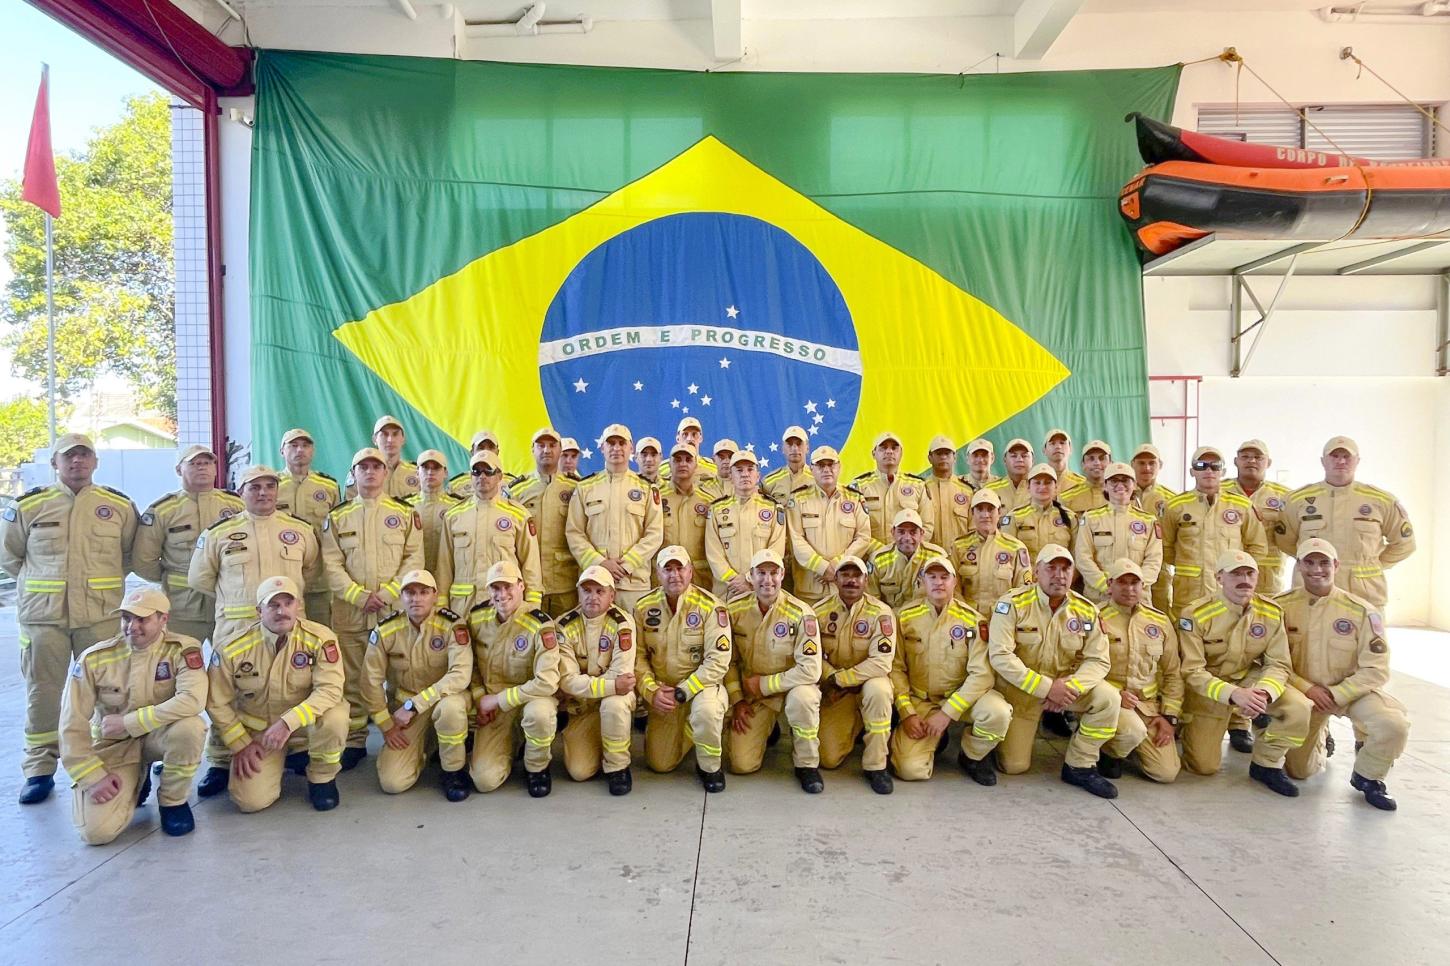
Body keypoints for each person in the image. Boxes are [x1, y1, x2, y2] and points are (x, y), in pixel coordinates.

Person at [1, 433, 139, 804]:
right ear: (55, 463)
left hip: (99, 614)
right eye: (69, 457)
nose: (77, 463)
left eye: (84, 456)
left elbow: (129, 557)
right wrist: (43, 587)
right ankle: (39, 768)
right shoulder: (30, 506)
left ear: (95, 462)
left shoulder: (119, 507)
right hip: (44, 618)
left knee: (109, 692)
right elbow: (10, 557)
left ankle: (111, 759)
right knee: (42, 692)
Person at [187, 464, 322, 797]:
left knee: (295, 681)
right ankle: (220, 759)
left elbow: (311, 570)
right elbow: (199, 578)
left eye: (269, 486)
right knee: (226, 691)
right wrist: (238, 600)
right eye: (254, 487)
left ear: (277, 491)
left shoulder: (299, 530)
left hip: (288, 624)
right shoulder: (220, 533)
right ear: (241, 492)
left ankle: (297, 748)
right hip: (236, 627)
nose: (263, 493)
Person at [59, 586, 206, 843]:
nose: (132, 627)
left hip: (159, 738)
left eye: (143, 619)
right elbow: (71, 723)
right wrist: (91, 777)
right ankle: (137, 780)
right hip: (114, 746)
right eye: (126, 618)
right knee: (96, 833)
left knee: (190, 728)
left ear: (163, 619)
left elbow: (193, 700)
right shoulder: (94, 659)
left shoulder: (182, 650)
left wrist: (130, 722)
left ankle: (173, 801)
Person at [1278, 539, 1408, 811]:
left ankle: (1368, 777)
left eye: (1324, 562)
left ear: (1336, 566)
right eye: (1309, 562)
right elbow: (1270, 660)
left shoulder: (1361, 611)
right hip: (1305, 697)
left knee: (1392, 725)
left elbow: (1376, 668)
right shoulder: (1279, 607)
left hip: (1351, 693)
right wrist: (1308, 689)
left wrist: (1338, 694)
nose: (1317, 569)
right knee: (1299, 771)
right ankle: (1321, 738)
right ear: (1299, 566)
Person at [319, 447, 425, 769]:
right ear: (353, 474)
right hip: (353, 611)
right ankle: (354, 740)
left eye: (376, 467)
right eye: (362, 467)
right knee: (353, 678)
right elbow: (331, 564)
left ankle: (400, 735)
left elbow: (413, 558)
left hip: (394, 610)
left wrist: (391, 592)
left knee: (397, 675)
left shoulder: (405, 514)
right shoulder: (337, 517)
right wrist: (359, 596)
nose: (370, 472)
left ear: (385, 473)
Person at [988, 544, 1121, 798]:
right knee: (1014, 766)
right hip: (1022, 694)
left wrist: (1069, 688)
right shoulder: (1012, 604)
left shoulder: (1086, 610)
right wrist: (1049, 688)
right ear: (1036, 572)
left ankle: (1080, 764)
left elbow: (1099, 660)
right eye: (1051, 568)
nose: (1059, 575)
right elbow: (1001, 656)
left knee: (1108, 698)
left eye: (1065, 569)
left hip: (1067, 689)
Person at [206, 576, 347, 813]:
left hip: (302, 727)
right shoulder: (232, 648)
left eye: (287, 603)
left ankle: (322, 778)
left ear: (298, 606)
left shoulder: (320, 639)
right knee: (250, 802)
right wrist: (240, 743)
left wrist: (288, 722)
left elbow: (330, 690)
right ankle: (276, 760)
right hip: (260, 736)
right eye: (273, 605)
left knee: (336, 717)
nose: (282, 611)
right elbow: (217, 702)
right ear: (259, 610)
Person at [1177, 550, 1311, 797]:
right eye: (1235, 574)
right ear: (1219, 577)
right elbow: (1192, 671)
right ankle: (1218, 724)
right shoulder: (1195, 614)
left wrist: (1263, 693)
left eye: (1250, 573)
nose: (1244, 580)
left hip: (1250, 680)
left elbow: (1278, 664)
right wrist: (1234, 694)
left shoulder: (1271, 611)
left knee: (1298, 707)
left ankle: (1266, 764)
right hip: (1210, 689)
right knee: (1203, 766)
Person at [1160, 445, 1267, 755]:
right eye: (1201, 465)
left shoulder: (1241, 507)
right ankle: (1182, 715)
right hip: (1189, 598)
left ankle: (1238, 724)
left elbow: (1257, 548)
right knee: (1188, 661)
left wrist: (1241, 586)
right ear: (1192, 471)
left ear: (1223, 471)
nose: (1208, 471)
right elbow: (1166, 549)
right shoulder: (1176, 507)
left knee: (1237, 656)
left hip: (1230, 601)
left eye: (1214, 466)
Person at [890, 556, 1010, 787]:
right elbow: (895, 669)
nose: (938, 583)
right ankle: (935, 739)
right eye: (932, 577)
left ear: (955, 582)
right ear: (922, 582)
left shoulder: (973, 621)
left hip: (961, 699)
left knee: (998, 713)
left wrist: (947, 713)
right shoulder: (904, 618)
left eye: (945, 577)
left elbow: (981, 675)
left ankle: (972, 756)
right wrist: (907, 712)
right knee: (909, 770)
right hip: (920, 701)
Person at [361, 570, 473, 801]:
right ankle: (427, 749)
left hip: (442, 701)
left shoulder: (452, 625)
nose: (416, 599)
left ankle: (452, 770)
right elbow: (370, 682)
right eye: (410, 593)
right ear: (401, 597)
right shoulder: (386, 630)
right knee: (393, 783)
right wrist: (386, 725)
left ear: (435, 595)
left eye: (423, 592)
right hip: (406, 711)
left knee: (451, 709)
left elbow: (460, 675)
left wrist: (415, 704)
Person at [724, 549, 824, 794]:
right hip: (752, 694)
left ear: (782, 575)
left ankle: (807, 764)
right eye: (760, 573)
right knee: (741, 765)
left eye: (773, 573)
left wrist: (766, 685)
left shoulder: (801, 613)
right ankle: (768, 728)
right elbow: (728, 662)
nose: (767, 580)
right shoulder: (733, 610)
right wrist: (737, 700)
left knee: (804, 697)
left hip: (788, 689)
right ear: (750, 576)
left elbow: (811, 669)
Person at [1275, 436, 1415, 610]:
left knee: (1368, 637)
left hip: (1364, 593)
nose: (1341, 461)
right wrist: (1313, 563)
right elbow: (1284, 540)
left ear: (1357, 461)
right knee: (1307, 636)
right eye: (1334, 456)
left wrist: (1371, 565)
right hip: (1311, 589)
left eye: (1347, 456)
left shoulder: (1381, 501)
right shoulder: (1297, 500)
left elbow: (1404, 544)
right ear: (1323, 461)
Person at [634, 547, 732, 791]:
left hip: (701, 688)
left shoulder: (711, 607)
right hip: (663, 692)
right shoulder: (643, 607)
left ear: (691, 572)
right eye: (668, 569)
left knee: (706, 713)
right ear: (657, 574)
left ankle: (710, 767)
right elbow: (636, 657)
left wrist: (683, 692)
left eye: (680, 568)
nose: (674, 575)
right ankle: (692, 729)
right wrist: (651, 691)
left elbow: (717, 661)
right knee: (660, 764)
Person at [466, 560, 561, 798]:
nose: (502, 594)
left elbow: (547, 682)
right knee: (483, 780)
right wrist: (479, 697)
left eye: (508, 587)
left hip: (529, 699)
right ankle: (512, 745)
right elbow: (471, 666)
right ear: (488, 591)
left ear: (521, 586)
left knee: (538, 714)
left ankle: (537, 768)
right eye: (495, 588)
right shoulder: (476, 619)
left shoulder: (539, 623)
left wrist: (498, 699)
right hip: (493, 706)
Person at [133, 444, 243, 642]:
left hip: (227, 604)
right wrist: (173, 578)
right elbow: (143, 561)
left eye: (208, 462)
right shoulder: (164, 510)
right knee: (180, 666)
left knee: (230, 668)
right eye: (194, 463)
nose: (202, 467)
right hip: (181, 609)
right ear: (178, 469)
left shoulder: (236, 506)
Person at [814, 555, 897, 793]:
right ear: (836, 579)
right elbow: (810, 654)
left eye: (857, 576)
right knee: (827, 759)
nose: (851, 581)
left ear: (866, 580)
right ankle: (855, 724)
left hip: (863, 686)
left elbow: (881, 663)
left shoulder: (881, 613)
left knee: (879, 690)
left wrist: (839, 680)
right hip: (837, 693)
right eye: (845, 575)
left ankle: (876, 766)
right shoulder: (818, 611)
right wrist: (830, 677)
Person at [1095, 559, 1182, 783]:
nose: (1129, 588)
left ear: (1143, 586)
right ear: (1110, 585)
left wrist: (1169, 717)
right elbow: (1079, 667)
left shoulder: (1159, 622)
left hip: (1147, 707)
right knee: (1131, 731)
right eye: (1122, 582)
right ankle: (1109, 752)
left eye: (1135, 583)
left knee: (1166, 773)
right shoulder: (1095, 617)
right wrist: (1114, 694)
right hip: (1110, 702)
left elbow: (1173, 673)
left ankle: (1129, 745)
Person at [556, 566, 638, 794]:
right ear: (578, 594)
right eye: (587, 591)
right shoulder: (562, 626)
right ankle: (597, 741)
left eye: (600, 591)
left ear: (612, 595)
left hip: (610, 701)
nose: (593, 597)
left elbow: (622, 676)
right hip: (581, 708)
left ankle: (618, 767)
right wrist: (611, 685)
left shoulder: (622, 623)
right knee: (579, 772)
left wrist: (608, 686)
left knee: (614, 704)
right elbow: (567, 681)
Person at [567, 424, 665, 611]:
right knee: (593, 637)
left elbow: (654, 534)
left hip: (633, 583)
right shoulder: (585, 487)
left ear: (631, 448)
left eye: (622, 443)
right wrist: (600, 563)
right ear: (602, 447)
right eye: (611, 443)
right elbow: (574, 533)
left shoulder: (646, 488)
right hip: (594, 583)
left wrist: (627, 565)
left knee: (633, 638)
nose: (616, 448)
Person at [436, 450, 542, 615]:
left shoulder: (518, 515)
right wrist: (441, 606)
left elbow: (531, 564)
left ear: (500, 476)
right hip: (463, 607)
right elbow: (444, 566)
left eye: (488, 471)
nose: (482, 476)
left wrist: (533, 605)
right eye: (476, 472)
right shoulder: (453, 516)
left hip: (504, 605)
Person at [506, 428, 581, 617]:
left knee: (565, 637)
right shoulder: (517, 489)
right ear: (533, 450)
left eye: (552, 445)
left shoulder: (576, 488)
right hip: (526, 582)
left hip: (565, 583)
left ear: (560, 450)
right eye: (541, 445)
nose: (546, 450)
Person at [785, 445, 872, 604]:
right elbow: (795, 539)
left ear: (839, 467)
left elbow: (863, 537)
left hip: (845, 586)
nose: (826, 469)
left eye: (831, 464)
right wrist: (821, 567)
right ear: (811, 469)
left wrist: (838, 564)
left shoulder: (854, 498)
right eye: (820, 465)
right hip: (809, 589)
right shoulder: (798, 499)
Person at [275, 428, 341, 623]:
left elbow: (337, 531)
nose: (300, 450)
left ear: (312, 451)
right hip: (282, 572)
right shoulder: (271, 485)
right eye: (293, 445)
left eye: (305, 445)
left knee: (321, 632)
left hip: (318, 578)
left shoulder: (328, 486)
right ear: (282, 451)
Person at [1073, 462, 1163, 604]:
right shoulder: (1090, 518)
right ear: (1106, 486)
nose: (1120, 485)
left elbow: (1154, 561)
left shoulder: (1148, 521)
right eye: (1114, 480)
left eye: (1125, 480)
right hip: (1099, 598)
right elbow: (1083, 558)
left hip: (1137, 599)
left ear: (1134, 485)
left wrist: (1133, 588)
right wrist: (1105, 586)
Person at [706, 450, 787, 600]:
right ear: (730, 476)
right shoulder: (716, 510)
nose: (745, 474)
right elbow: (713, 552)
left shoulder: (773, 508)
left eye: (750, 469)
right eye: (739, 470)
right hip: (728, 591)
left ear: (758, 475)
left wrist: (750, 580)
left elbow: (776, 550)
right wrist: (734, 581)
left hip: (761, 590)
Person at [1222, 439, 1291, 593]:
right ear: (1236, 461)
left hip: (1268, 580)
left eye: (1258, 457)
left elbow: (1294, 538)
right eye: (1245, 456)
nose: (1251, 461)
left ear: (1269, 462)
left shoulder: (1284, 495)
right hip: (1228, 576)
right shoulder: (1219, 491)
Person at [950, 489, 1031, 614]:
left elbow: (1023, 592)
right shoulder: (959, 546)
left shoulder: (1015, 548)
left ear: (999, 512)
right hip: (967, 619)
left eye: (990, 509)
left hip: (1003, 620)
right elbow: (953, 589)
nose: (985, 515)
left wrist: (1005, 619)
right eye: (980, 509)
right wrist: (966, 616)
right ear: (972, 513)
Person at [848, 430, 933, 551]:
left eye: (894, 448)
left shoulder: (917, 485)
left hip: (908, 559)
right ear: (873, 453)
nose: (889, 451)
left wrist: (904, 551)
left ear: (901, 453)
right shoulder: (859, 486)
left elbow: (927, 526)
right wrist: (881, 553)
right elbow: (854, 529)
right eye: (883, 448)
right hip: (870, 559)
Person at [866, 509, 947, 610]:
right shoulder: (878, 559)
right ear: (893, 532)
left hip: (925, 619)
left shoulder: (937, 557)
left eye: (913, 532)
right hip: (891, 618)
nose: (907, 537)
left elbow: (947, 599)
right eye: (901, 532)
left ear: (922, 534)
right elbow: (872, 601)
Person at [658, 443, 713, 589]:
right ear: (669, 464)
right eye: (677, 460)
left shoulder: (708, 501)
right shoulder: (655, 498)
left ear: (696, 465)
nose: (683, 464)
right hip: (665, 579)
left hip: (700, 579)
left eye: (688, 460)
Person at [1129, 443, 1175, 613]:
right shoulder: (1120, 494)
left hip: (1159, 572)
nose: (1146, 468)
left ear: (1160, 465)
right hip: (1128, 567)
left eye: (1151, 463)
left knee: (1160, 616)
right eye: (1141, 463)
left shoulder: (1172, 500)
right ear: (1132, 464)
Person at [406, 449, 461, 588]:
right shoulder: (405, 507)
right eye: (425, 468)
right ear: (417, 472)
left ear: (446, 473)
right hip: (413, 581)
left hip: (448, 580)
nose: (430, 472)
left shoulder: (458, 507)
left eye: (436, 468)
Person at [1001, 463, 1075, 561]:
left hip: (1059, 575)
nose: (1042, 487)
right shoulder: (1014, 517)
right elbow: (1007, 557)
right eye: (1037, 482)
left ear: (1056, 487)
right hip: (1026, 575)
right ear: (1028, 487)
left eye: (1048, 482)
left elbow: (1077, 558)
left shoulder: (1069, 517)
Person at [921, 435, 976, 550]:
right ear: (930, 458)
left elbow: (974, 531)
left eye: (947, 453)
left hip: (960, 558)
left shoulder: (967, 491)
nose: (943, 457)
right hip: (929, 558)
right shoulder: (921, 488)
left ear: (954, 457)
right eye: (939, 453)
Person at [346, 415, 419, 499]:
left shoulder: (417, 472)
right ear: (374, 439)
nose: (390, 440)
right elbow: (351, 508)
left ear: (403, 439)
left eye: (395, 434)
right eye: (384, 434)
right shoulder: (360, 472)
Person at [762, 426, 813, 504]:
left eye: (799, 444)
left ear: (807, 448)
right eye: (789, 444)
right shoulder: (769, 482)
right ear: (782, 448)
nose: (794, 448)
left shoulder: (818, 479)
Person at [1060, 440, 1112, 514]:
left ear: (1111, 463)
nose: (1097, 463)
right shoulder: (1067, 498)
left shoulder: (1122, 495)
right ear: (1083, 464)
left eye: (1102, 458)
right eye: (1091, 459)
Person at [985, 438, 1033, 511]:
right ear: (1005, 460)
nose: (1019, 459)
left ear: (1033, 460)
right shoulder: (990, 490)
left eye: (1024, 456)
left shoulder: (1041, 489)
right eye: (1014, 456)